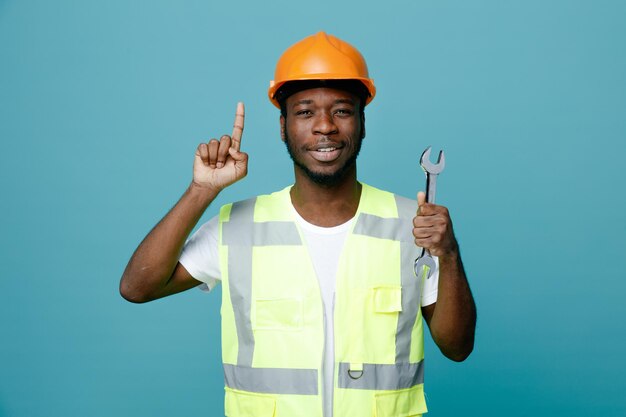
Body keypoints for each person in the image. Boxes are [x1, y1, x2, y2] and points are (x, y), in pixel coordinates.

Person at [120, 31, 476, 417]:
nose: (324, 126)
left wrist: (450, 254)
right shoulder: (238, 227)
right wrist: (200, 191)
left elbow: (457, 348)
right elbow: (138, 287)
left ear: (362, 122)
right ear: (283, 126)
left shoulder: (413, 223)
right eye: (305, 112)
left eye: (341, 110)